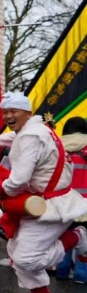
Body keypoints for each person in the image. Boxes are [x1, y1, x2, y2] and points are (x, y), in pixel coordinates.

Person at [0, 93, 87, 293]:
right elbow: (8, 139)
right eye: (5, 112)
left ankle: (78, 237)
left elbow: (19, 179)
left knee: (25, 258)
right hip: (42, 203)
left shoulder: (30, 136)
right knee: (14, 248)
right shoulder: (38, 129)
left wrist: (1, 190)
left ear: (28, 113)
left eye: (13, 111)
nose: (8, 115)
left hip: (50, 206)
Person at [56, 116, 87, 283]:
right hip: (85, 204)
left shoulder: (57, 147)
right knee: (84, 241)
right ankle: (82, 275)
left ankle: (62, 271)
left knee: (64, 236)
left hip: (64, 203)